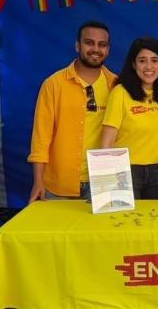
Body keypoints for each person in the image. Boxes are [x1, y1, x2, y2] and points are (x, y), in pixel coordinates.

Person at [27, 21, 116, 202]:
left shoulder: (117, 86)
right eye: (89, 43)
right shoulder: (53, 84)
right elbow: (41, 137)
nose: (95, 49)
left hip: (104, 182)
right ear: (77, 45)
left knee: (99, 231)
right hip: (58, 185)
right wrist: (37, 181)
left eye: (102, 44)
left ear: (108, 50)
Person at [100, 37, 158, 199]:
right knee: (124, 221)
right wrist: (106, 184)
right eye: (142, 61)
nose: (149, 67)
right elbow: (106, 143)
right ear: (133, 64)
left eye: (154, 60)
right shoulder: (120, 92)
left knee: (153, 221)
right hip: (124, 171)